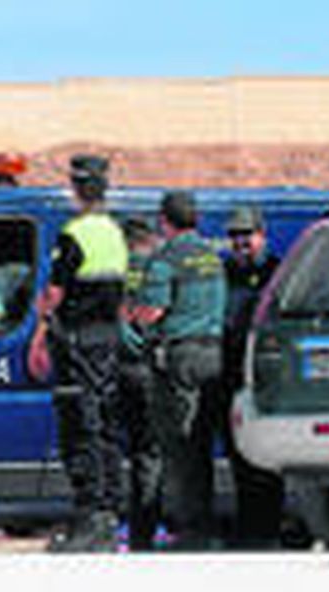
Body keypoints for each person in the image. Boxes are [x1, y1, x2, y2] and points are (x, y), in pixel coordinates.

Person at [37, 154, 130, 553]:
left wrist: (40, 329)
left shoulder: (74, 234)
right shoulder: (114, 233)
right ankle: (108, 514)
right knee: (106, 424)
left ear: (77, 189)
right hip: (108, 340)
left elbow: (54, 294)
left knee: (80, 424)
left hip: (76, 341)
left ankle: (90, 516)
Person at [134, 191, 227, 551]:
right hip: (213, 355)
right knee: (203, 444)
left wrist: (133, 312)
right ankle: (203, 524)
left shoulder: (166, 258)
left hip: (181, 358)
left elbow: (153, 311)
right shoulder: (211, 256)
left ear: (164, 221)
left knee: (180, 446)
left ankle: (192, 529)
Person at [214, 207, 290, 548]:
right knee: (238, 456)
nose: (241, 243)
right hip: (229, 378)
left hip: (264, 379)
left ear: (263, 235)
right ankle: (250, 529)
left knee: (267, 457)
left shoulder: (279, 271)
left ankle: (269, 527)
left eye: (247, 235)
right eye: (235, 236)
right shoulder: (224, 272)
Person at [118, 217, 165, 552]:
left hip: (119, 369)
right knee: (151, 455)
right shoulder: (158, 270)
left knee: (125, 453)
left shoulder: (115, 273)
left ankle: (125, 527)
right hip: (150, 369)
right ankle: (146, 530)